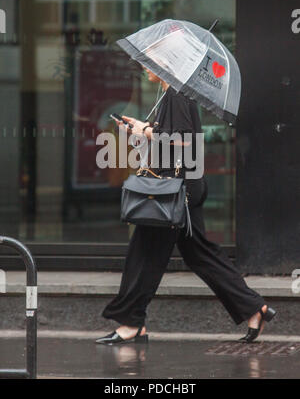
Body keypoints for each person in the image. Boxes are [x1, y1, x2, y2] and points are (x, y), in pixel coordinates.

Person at [96, 67, 276, 345]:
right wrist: (142, 129)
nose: (145, 67)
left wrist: (146, 131)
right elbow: (173, 135)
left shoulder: (178, 95)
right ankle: (253, 307)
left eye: (150, 62)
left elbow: (184, 140)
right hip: (181, 188)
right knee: (199, 253)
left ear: (166, 65)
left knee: (144, 252)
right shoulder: (174, 94)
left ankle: (131, 322)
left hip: (172, 191)